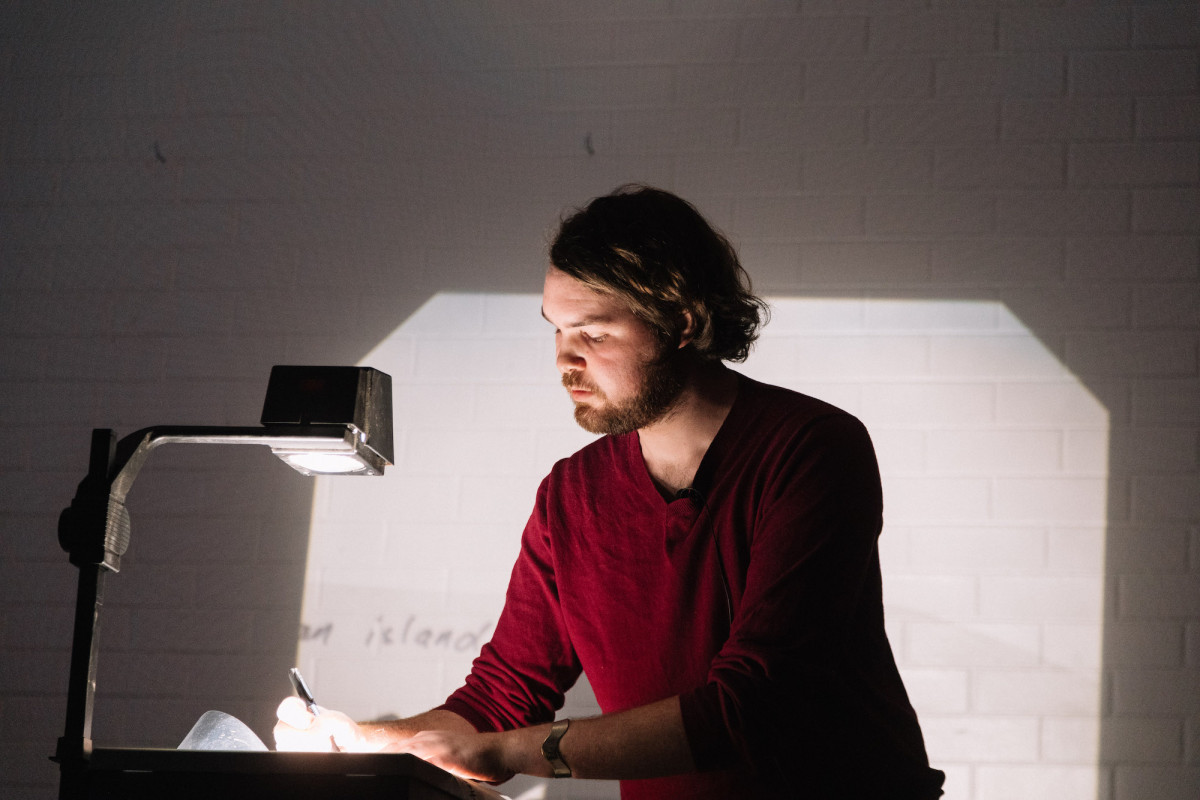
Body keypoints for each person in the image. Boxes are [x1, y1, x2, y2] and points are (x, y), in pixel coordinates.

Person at [275, 185, 946, 799]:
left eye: (594, 334)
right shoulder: (570, 496)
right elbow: (502, 698)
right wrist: (353, 737)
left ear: (680, 322)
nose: (565, 361)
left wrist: (505, 749)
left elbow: (751, 705)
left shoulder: (812, 449)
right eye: (557, 331)